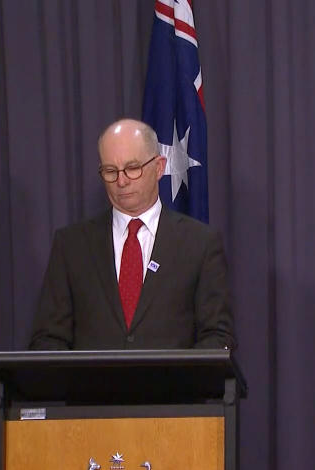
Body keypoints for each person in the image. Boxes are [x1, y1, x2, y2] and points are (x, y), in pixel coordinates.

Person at [29, 118, 235, 350]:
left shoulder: (200, 244)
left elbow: (217, 336)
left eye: (132, 168)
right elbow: (47, 339)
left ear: (159, 167)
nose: (122, 181)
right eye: (110, 171)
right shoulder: (72, 246)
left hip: (173, 386)